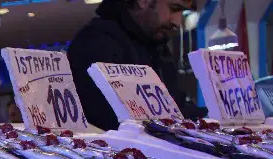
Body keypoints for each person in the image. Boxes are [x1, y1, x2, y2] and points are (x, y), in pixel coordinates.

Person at [68, 0, 204, 130]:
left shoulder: (157, 47)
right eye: (174, 8)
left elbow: (175, 106)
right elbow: (110, 122)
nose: (177, 22)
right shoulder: (95, 43)